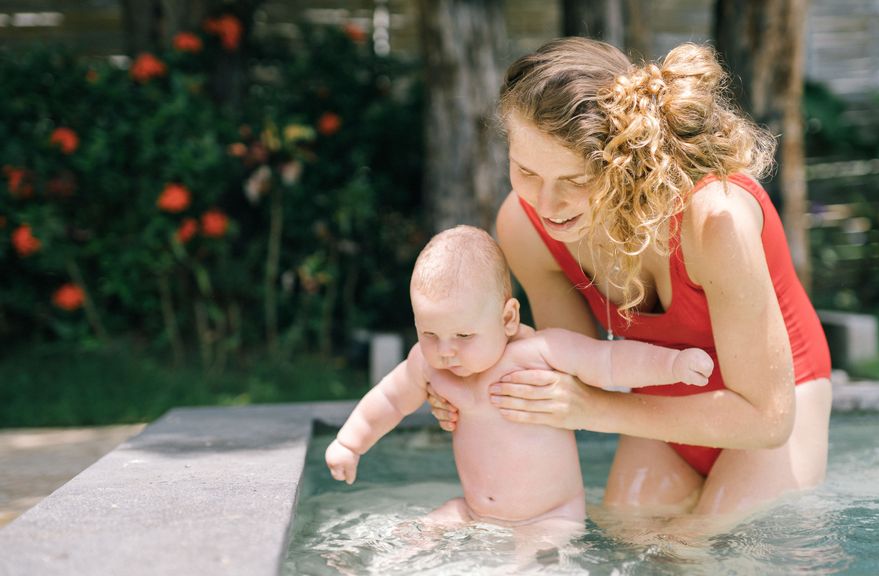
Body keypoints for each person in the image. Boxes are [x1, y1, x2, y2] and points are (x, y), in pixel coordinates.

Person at [427, 37, 834, 524]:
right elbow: (569, 369)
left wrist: (593, 411)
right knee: (631, 539)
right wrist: (471, 381)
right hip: (660, 403)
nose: (548, 204)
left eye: (577, 181)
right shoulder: (524, 226)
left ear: (628, 161)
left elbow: (768, 418)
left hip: (774, 402)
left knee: (710, 551)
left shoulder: (715, 220)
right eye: (526, 171)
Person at [325, 225, 714, 535]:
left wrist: (674, 365)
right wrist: (350, 442)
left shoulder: (539, 354)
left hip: (551, 518)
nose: (446, 351)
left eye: (463, 336)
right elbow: (390, 400)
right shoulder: (429, 366)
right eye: (429, 334)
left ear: (508, 319)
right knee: (414, 536)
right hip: (474, 511)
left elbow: (610, 361)